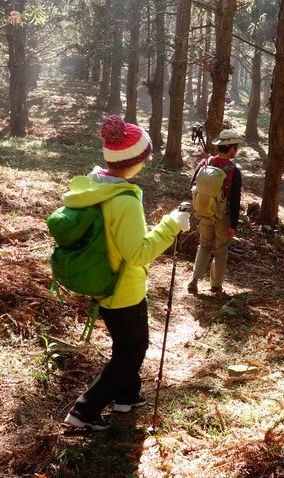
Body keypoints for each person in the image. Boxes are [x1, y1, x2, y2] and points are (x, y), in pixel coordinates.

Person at [62, 115, 190, 431]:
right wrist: (171, 224)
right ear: (134, 162)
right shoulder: (124, 201)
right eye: (144, 158)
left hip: (103, 279)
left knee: (125, 344)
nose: (145, 163)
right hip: (124, 287)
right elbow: (138, 254)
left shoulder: (96, 185)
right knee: (132, 351)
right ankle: (84, 410)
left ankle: (127, 397)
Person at [187, 129, 244, 295]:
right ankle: (216, 285)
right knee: (220, 250)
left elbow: (192, 186)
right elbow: (235, 200)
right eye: (236, 147)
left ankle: (194, 281)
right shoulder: (234, 171)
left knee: (204, 246)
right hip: (222, 216)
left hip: (204, 213)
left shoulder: (205, 163)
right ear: (232, 148)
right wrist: (233, 224)